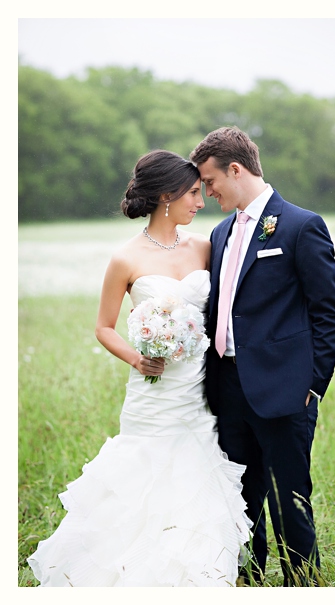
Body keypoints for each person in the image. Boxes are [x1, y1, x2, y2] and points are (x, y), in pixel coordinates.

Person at [27, 150, 252, 587]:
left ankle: (197, 578)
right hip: (152, 394)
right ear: (166, 196)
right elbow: (103, 327)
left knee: (194, 482)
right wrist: (137, 356)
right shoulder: (125, 259)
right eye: (191, 193)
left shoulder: (205, 247)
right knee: (140, 482)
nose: (200, 201)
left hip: (196, 394)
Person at [190, 127, 335, 586]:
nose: (207, 191)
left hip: (286, 390)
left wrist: (312, 384)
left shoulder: (301, 225)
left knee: (289, 502)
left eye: (210, 180)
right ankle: (248, 584)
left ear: (235, 169)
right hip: (227, 390)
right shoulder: (219, 233)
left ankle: (302, 587)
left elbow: (330, 313)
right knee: (238, 502)